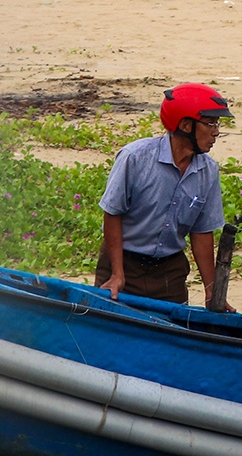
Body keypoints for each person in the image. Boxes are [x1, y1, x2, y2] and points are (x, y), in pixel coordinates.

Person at [97, 84, 230, 305]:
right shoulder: (135, 158)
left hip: (170, 271)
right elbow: (112, 214)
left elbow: (202, 232)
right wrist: (117, 274)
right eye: (210, 124)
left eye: (217, 124)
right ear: (186, 125)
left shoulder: (208, 170)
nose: (216, 132)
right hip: (124, 262)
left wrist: (211, 291)